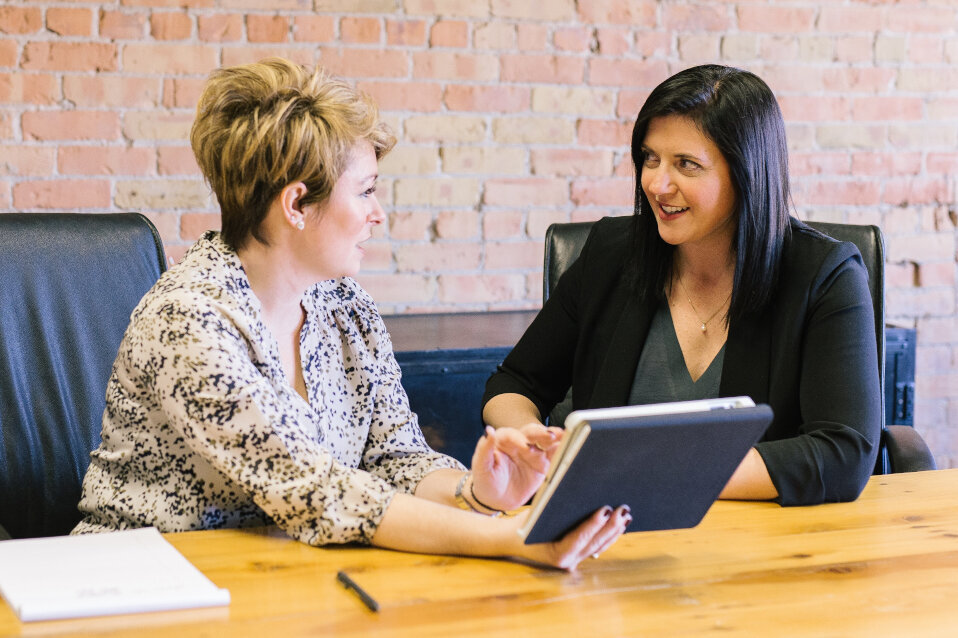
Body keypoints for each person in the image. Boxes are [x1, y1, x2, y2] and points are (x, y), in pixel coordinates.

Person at [72, 58, 630, 570]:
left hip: (285, 576)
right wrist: (513, 538)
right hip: (140, 584)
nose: (378, 214)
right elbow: (316, 491)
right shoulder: (189, 320)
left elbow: (395, 457)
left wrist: (479, 494)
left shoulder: (344, 305)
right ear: (296, 204)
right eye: (365, 191)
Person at [482, 64, 881, 506]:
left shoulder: (825, 275)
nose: (656, 183)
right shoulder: (611, 254)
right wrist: (530, 441)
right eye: (650, 159)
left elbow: (843, 452)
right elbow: (514, 383)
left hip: (761, 544)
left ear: (746, 172)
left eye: (686, 164)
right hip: (607, 536)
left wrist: (649, 473)